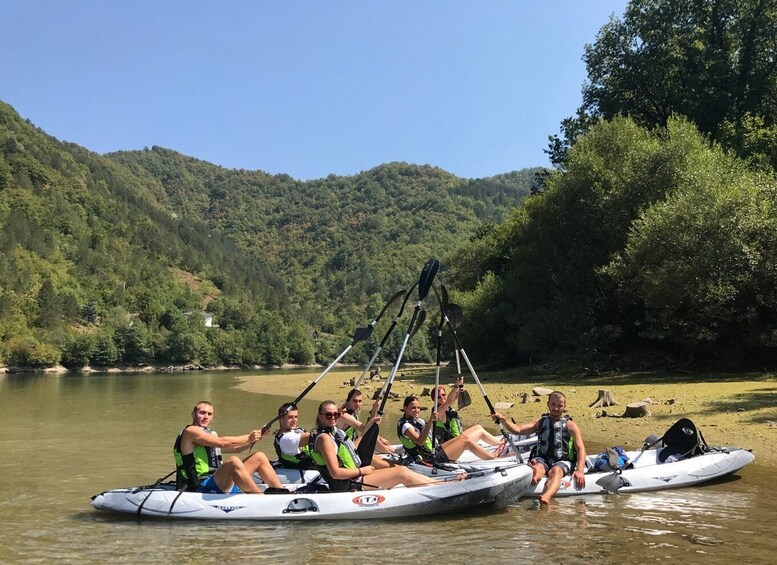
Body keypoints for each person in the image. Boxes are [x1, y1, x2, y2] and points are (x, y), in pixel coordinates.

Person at [309, 400, 441, 492]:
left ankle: (441, 485)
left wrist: (370, 424)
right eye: (328, 415)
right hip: (348, 484)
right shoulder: (324, 439)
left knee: (404, 470)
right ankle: (441, 490)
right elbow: (336, 473)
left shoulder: (335, 433)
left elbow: (354, 447)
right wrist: (362, 471)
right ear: (320, 416)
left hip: (353, 477)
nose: (333, 418)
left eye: (336, 414)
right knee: (401, 473)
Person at [493, 391, 587, 504]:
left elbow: (580, 448)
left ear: (564, 407)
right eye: (553, 404)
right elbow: (518, 430)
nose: (556, 408)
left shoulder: (571, 425)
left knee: (556, 471)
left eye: (559, 405)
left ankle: (546, 496)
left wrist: (580, 470)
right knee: (537, 467)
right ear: (548, 404)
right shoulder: (540, 422)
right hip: (542, 459)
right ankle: (534, 477)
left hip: (563, 460)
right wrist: (503, 419)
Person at [173, 400, 286, 494]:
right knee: (233, 461)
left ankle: (281, 492)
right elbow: (223, 442)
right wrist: (249, 437)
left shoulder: (211, 433)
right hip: (202, 484)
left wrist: (257, 437)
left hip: (219, 480)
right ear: (193, 414)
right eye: (202, 413)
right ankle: (258, 497)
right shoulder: (190, 431)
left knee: (259, 456)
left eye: (209, 414)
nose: (205, 417)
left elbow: (237, 448)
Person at [398, 395, 504, 464]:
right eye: (413, 408)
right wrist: (430, 420)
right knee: (466, 441)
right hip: (431, 459)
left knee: (470, 433)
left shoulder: (418, 420)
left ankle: (499, 445)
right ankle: (492, 458)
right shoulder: (406, 426)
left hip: (437, 450)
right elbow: (420, 442)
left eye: (418, 408)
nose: (416, 410)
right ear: (405, 408)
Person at [430, 376, 504, 452]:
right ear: (434, 399)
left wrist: (460, 385)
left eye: (444, 395)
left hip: (457, 439)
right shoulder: (438, 411)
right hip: (451, 446)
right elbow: (449, 400)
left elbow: (454, 397)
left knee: (478, 427)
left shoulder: (447, 407)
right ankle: (500, 445)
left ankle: (498, 444)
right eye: (439, 397)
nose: (442, 398)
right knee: (480, 432)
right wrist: (456, 385)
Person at [338, 388, 396, 454]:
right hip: (346, 451)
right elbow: (366, 430)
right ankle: (391, 453)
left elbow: (367, 429)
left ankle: (392, 452)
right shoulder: (345, 415)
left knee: (374, 439)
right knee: (372, 439)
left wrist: (374, 410)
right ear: (348, 401)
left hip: (352, 446)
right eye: (355, 401)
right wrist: (380, 438)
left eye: (360, 401)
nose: (357, 404)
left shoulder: (352, 413)